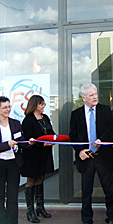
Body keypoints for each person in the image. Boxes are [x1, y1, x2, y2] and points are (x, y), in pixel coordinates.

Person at [69, 83, 113, 224]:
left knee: (109, 190)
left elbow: (111, 129)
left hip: (103, 156)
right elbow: (73, 136)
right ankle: (87, 219)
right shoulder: (76, 114)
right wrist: (80, 151)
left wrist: (101, 140)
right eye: (91, 95)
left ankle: (112, 218)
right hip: (86, 158)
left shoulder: (105, 110)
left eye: (96, 94)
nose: (95, 97)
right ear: (84, 97)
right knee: (86, 192)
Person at [21, 95, 54, 223]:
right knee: (32, 179)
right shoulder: (28, 120)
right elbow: (29, 139)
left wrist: (55, 139)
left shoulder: (45, 118)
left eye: (44, 104)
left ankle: (40, 206)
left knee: (41, 177)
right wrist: (42, 143)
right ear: (35, 105)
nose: (43, 106)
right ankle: (30, 210)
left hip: (45, 153)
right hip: (33, 154)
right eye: (41, 104)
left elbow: (50, 132)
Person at [0, 96, 29, 224]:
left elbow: (21, 140)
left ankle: (12, 221)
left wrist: (29, 142)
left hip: (13, 164)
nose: (8, 109)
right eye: (4, 107)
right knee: (0, 196)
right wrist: (8, 144)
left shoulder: (15, 123)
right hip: (0, 164)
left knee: (13, 196)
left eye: (9, 106)